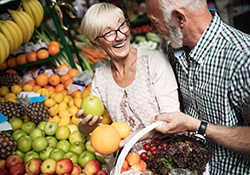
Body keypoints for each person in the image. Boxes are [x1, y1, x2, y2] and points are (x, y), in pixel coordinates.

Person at [145, 0, 250, 174]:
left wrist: (197, 125)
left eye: (155, 22)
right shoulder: (176, 49)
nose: (152, 29)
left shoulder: (242, 57)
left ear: (179, 18)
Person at [76, 2, 180, 149]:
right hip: (129, 163)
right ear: (96, 44)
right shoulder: (101, 77)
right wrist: (85, 126)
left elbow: (172, 120)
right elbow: (93, 129)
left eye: (122, 25)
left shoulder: (153, 62)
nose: (120, 36)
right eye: (109, 32)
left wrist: (135, 138)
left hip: (166, 154)